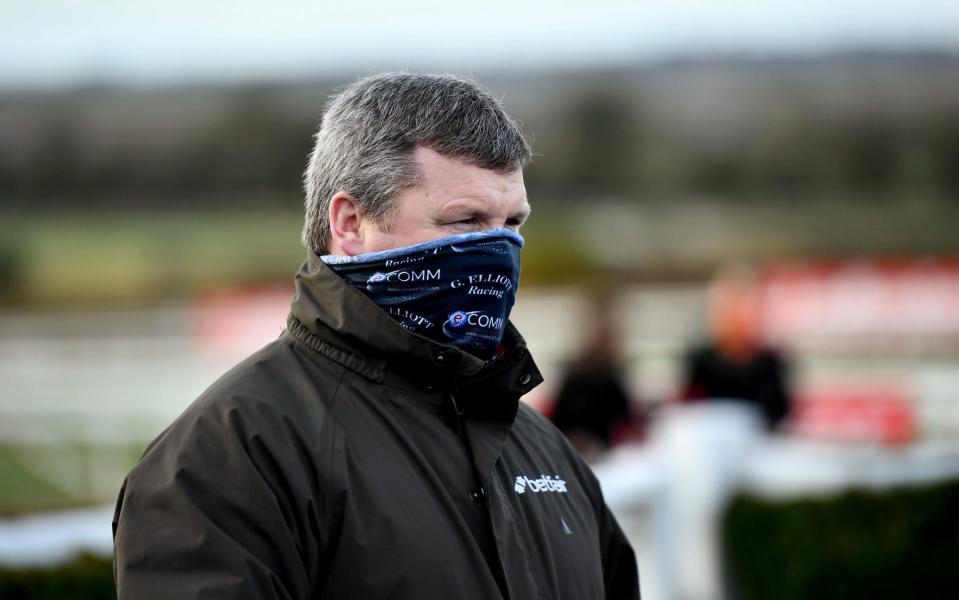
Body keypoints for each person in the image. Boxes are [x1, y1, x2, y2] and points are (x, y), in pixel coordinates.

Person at [112, 73, 640, 599]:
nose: (499, 251)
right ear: (349, 223)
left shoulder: (543, 449)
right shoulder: (230, 456)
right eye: (466, 221)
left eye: (513, 223)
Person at [679, 265, 791, 429]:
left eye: (741, 309)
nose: (736, 319)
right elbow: (690, 408)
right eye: (729, 309)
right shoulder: (701, 360)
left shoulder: (768, 361)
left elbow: (779, 412)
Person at [551, 293, 636, 461]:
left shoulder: (611, 378)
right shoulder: (577, 378)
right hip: (581, 450)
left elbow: (626, 420)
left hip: (599, 452)